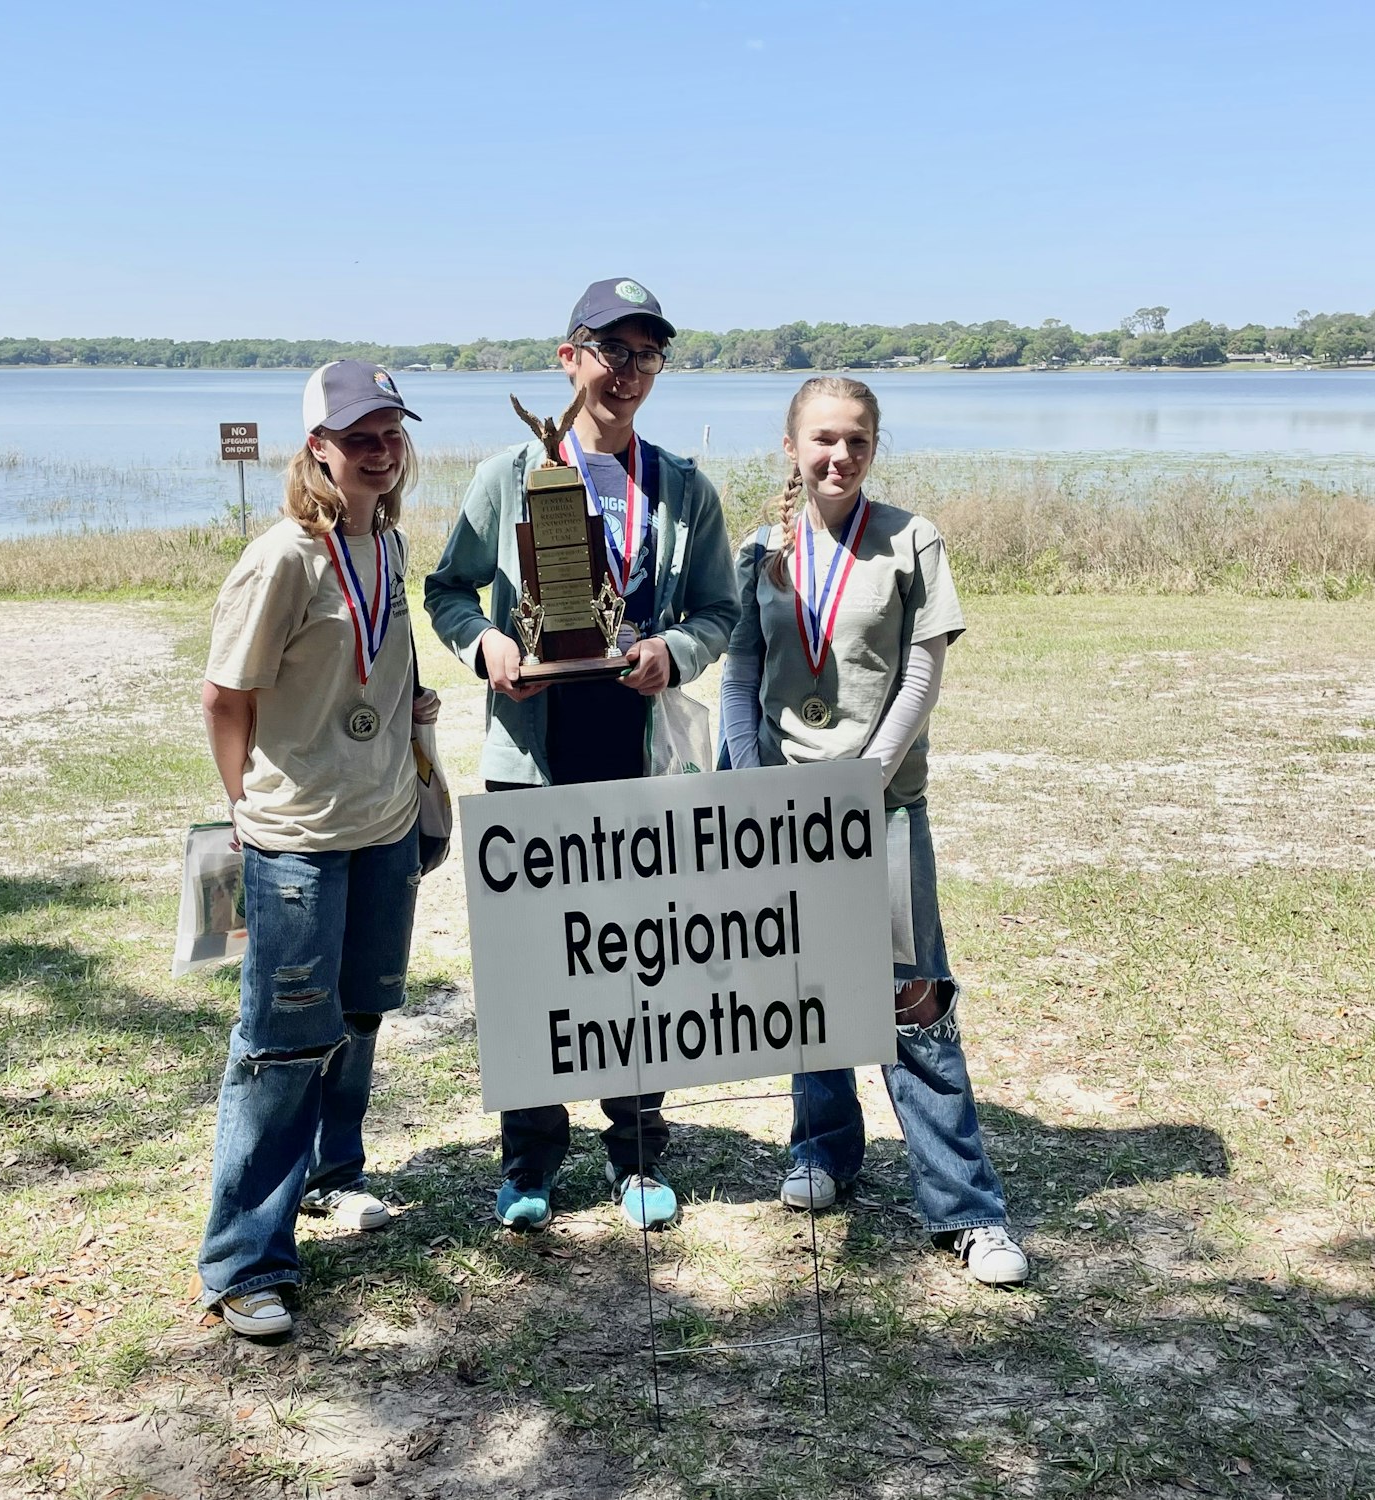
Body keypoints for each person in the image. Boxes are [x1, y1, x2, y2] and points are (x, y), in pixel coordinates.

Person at [425, 277, 738, 1233]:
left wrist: (671, 652)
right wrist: (488, 647)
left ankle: (638, 1151)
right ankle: (529, 1160)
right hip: (534, 753)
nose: (629, 372)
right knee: (530, 961)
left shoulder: (683, 487)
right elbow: (449, 591)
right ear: (569, 358)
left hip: (638, 756)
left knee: (636, 959)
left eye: (648, 355)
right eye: (611, 350)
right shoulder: (508, 475)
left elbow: (718, 612)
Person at [717, 376, 1029, 1286]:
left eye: (856, 440)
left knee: (911, 999)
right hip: (780, 809)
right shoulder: (758, 549)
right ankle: (821, 1151)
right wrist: (751, 781)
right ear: (790, 446)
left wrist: (865, 781)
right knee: (804, 984)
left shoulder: (911, 540)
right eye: (822, 439)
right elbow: (741, 674)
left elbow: (921, 679)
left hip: (879, 806)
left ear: (874, 447)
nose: (838, 456)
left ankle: (967, 1210)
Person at [195, 360, 438, 1337]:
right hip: (293, 839)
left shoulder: (388, 544)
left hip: (381, 826)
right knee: (280, 1044)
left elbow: (376, 664)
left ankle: (331, 1177)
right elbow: (224, 698)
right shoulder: (282, 559)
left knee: (359, 1014)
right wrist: (247, 814)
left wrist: (408, 713)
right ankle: (244, 1258)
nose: (379, 452)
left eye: (391, 434)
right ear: (317, 450)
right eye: (359, 437)